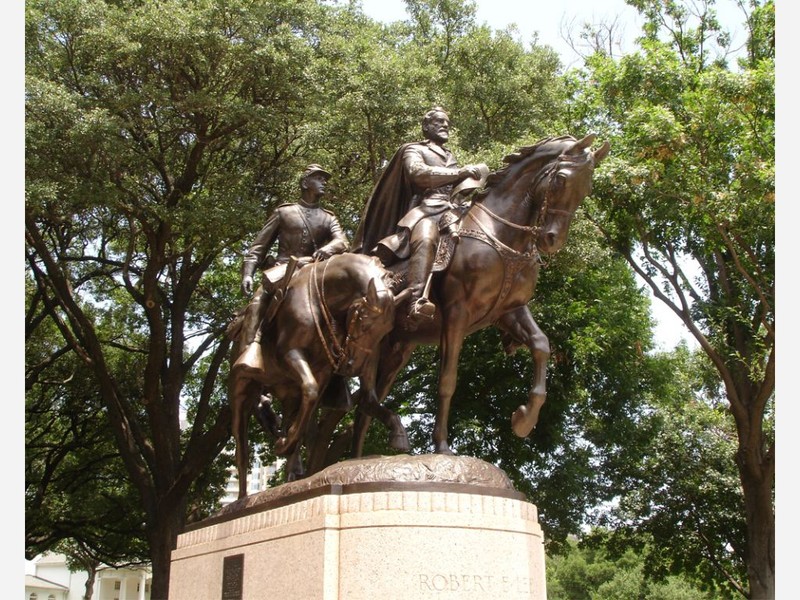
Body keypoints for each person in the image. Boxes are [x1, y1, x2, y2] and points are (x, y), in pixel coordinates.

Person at [352, 107, 486, 326]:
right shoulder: (413, 149)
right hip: (427, 210)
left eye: (447, 123)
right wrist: (459, 173)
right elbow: (418, 174)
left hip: (453, 209)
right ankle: (415, 301)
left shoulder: (450, 155)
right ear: (426, 127)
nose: (445, 126)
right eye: (439, 122)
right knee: (425, 238)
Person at [238, 164, 349, 345]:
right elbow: (259, 247)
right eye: (318, 179)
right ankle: (249, 352)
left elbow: (342, 241)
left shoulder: (329, 218)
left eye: (325, 180)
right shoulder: (284, 212)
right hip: (282, 272)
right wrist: (247, 274)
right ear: (305, 183)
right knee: (257, 304)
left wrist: (327, 249)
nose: (324, 183)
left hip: (313, 272)